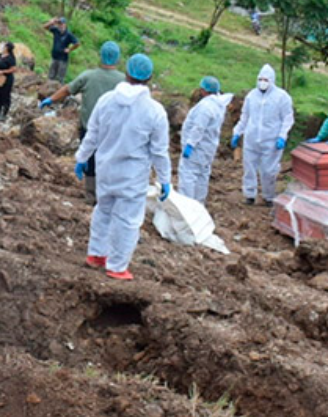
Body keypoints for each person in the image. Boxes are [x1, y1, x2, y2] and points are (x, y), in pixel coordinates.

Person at [74, 53, 171, 281]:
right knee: (127, 220)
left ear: (126, 73)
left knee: (103, 210)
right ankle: (117, 266)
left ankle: (97, 254)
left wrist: (81, 157)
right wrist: (164, 179)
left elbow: (92, 134)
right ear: (149, 78)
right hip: (132, 175)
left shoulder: (107, 100)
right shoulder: (154, 111)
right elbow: (159, 151)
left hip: (105, 169)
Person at [40, 41, 125, 205]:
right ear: (118, 58)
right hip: (114, 131)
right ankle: (106, 195)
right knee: (110, 162)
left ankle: (90, 196)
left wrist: (51, 99)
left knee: (90, 162)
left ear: (100, 56)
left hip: (89, 128)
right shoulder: (123, 81)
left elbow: (67, 89)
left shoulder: (88, 76)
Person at [231, 64, 294, 207]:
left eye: (266, 80)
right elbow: (245, 117)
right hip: (251, 139)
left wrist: (282, 136)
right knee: (249, 168)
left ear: (272, 80)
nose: (262, 82)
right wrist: (237, 132)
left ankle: (268, 196)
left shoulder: (282, 97)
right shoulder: (251, 96)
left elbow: (287, 118)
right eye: (260, 79)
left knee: (268, 171)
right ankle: (249, 195)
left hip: (271, 140)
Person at [178, 76, 234, 204]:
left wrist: (190, 144)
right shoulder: (218, 105)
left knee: (188, 176)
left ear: (204, 90)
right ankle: (199, 205)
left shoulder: (205, 107)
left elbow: (198, 128)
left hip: (197, 148)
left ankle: (186, 205)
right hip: (208, 148)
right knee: (202, 176)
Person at [42, 17, 79, 83]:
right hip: (54, 57)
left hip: (63, 59)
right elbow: (44, 27)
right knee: (50, 76)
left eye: (61, 24)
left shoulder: (68, 34)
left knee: (60, 78)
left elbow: (77, 43)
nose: (60, 25)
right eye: (59, 23)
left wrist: (69, 49)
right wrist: (51, 22)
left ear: (65, 24)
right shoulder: (56, 30)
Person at [0, 42, 18, 121]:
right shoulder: (0, 55)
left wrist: (3, 72)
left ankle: (4, 114)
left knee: (5, 96)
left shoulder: (10, 58)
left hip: (7, 79)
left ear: (7, 48)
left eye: (4, 46)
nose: (2, 47)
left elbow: (13, 69)